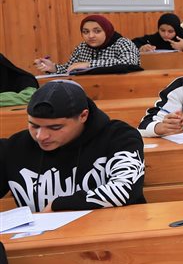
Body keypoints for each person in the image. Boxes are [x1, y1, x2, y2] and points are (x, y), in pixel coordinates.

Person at [3, 80, 145, 211]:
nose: (41, 136)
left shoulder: (119, 136)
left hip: (112, 227)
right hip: (42, 231)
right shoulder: (14, 147)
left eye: (55, 127)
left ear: (83, 116)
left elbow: (126, 189)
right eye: (34, 126)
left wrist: (58, 205)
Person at [34, 15, 141, 76]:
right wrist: (53, 68)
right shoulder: (81, 48)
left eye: (97, 31)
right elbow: (70, 68)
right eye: (85, 32)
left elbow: (130, 63)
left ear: (107, 31)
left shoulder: (123, 43)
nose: (91, 36)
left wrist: (89, 64)